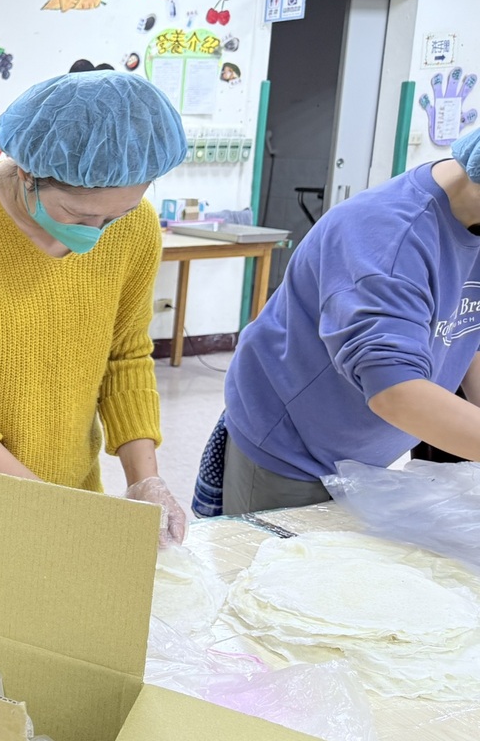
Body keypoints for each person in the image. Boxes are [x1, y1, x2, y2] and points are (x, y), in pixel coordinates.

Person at [0, 70, 188, 545]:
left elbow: (125, 357)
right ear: (27, 173)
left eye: (117, 216)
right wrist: (43, 502)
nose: (97, 232)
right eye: (79, 215)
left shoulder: (136, 230)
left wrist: (143, 478)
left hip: (67, 482)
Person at [199, 126, 480, 518]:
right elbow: (396, 392)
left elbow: (467, 331)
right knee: (272, 572)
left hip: (367, 450)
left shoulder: (473, 221)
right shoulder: (389, 236)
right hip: (294, 450)